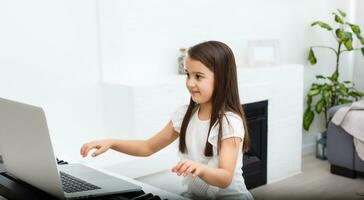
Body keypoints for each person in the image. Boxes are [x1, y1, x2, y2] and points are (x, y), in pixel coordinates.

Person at [80, 41, 254, 200]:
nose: (190, 83)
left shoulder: (229, 122)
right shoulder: (184, 114)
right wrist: (112, 142)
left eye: (198, 76)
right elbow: (147, 147)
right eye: (188, 75)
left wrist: (199, 168)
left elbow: (224, 178)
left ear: (221, 79)